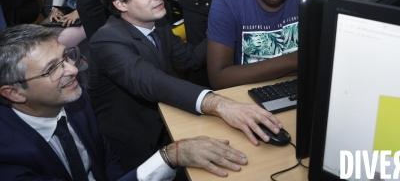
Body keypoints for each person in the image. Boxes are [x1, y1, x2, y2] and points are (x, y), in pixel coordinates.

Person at [89, 0, 284, 172]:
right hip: (131, 150)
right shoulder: (106, 40)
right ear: (120, 4)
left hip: (169, 126)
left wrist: (223, 26)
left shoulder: (157, 23)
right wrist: (219, 104)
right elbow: (152, 82)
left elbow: (190, 58)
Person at [0, 25, 250, 180]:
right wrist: (169, 156)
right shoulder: (8, 158)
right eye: (53, 69)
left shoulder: (73, 97)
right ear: (14, 93)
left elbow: (106, 158)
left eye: (67, 57)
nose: (73, 71)